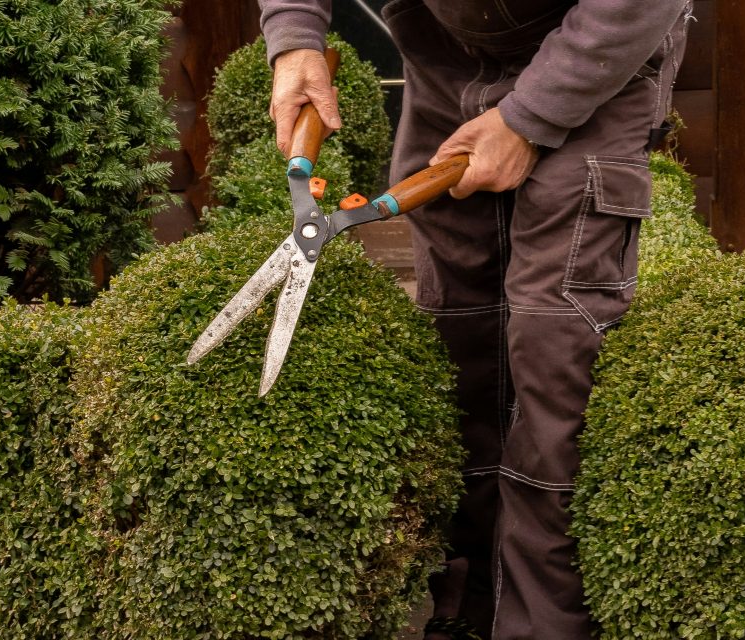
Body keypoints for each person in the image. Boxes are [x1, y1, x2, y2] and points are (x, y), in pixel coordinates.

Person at [257, 1, 691, 638]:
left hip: (594, 42)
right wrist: (295, 33)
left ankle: (542, 625)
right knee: (459, 335)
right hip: (443, 52)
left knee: (554, 345)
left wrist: (528, 118)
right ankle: (467, 603)